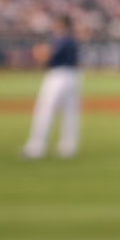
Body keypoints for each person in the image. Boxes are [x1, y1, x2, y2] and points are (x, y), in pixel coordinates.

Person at [23, 16, 81, 159]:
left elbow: (47, 56)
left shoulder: (62, 39)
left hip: (58, 76)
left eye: (57, 23)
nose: (55, 26)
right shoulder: (72, 39)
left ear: (63, 25)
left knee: (45, 111)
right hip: (73, 76)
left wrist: (38, 52)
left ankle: (37, 147)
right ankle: (68, 147)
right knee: (70, 113)